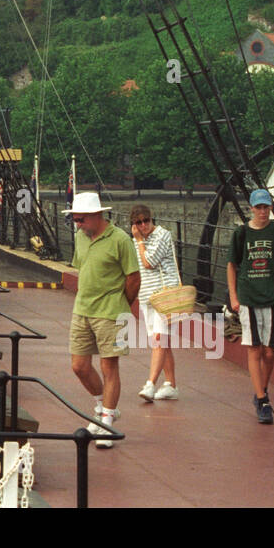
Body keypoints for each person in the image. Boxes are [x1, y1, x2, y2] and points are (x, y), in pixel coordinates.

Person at [65, 192, 140, 448]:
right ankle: (102, 406)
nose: (77, 224)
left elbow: (133, 278)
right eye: (75, 219)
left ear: (97, 215)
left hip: (111, 312)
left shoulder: (120, 240)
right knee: (79, 366)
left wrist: (121, 306)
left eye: (81, 219)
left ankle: (106, 421)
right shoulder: (80, 237)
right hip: (82, 309)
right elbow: (83, 268)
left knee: (110, 368)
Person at [227, 188, 274, 424]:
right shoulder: (241, 233)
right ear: (252, 208)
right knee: (255, 349)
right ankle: (263, 399)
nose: (263, 212)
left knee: (269, 350)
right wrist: (234, 297)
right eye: (259, 207)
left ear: (270, 209)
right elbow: (232, 265)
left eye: (266, 207)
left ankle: (262, 389)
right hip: (250, 298)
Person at [129, 204, 181, 402]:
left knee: (160, 339)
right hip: (147, 296)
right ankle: (171, 385)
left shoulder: (162, 235)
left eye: (146, 221)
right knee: (161, 342)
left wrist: (140, 242)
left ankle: (150, 384)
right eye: (138, 222)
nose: (144, 225)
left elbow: (149, 262)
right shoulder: (136, 241)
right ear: (134, 225)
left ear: (152, 219)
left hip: (166, 295)